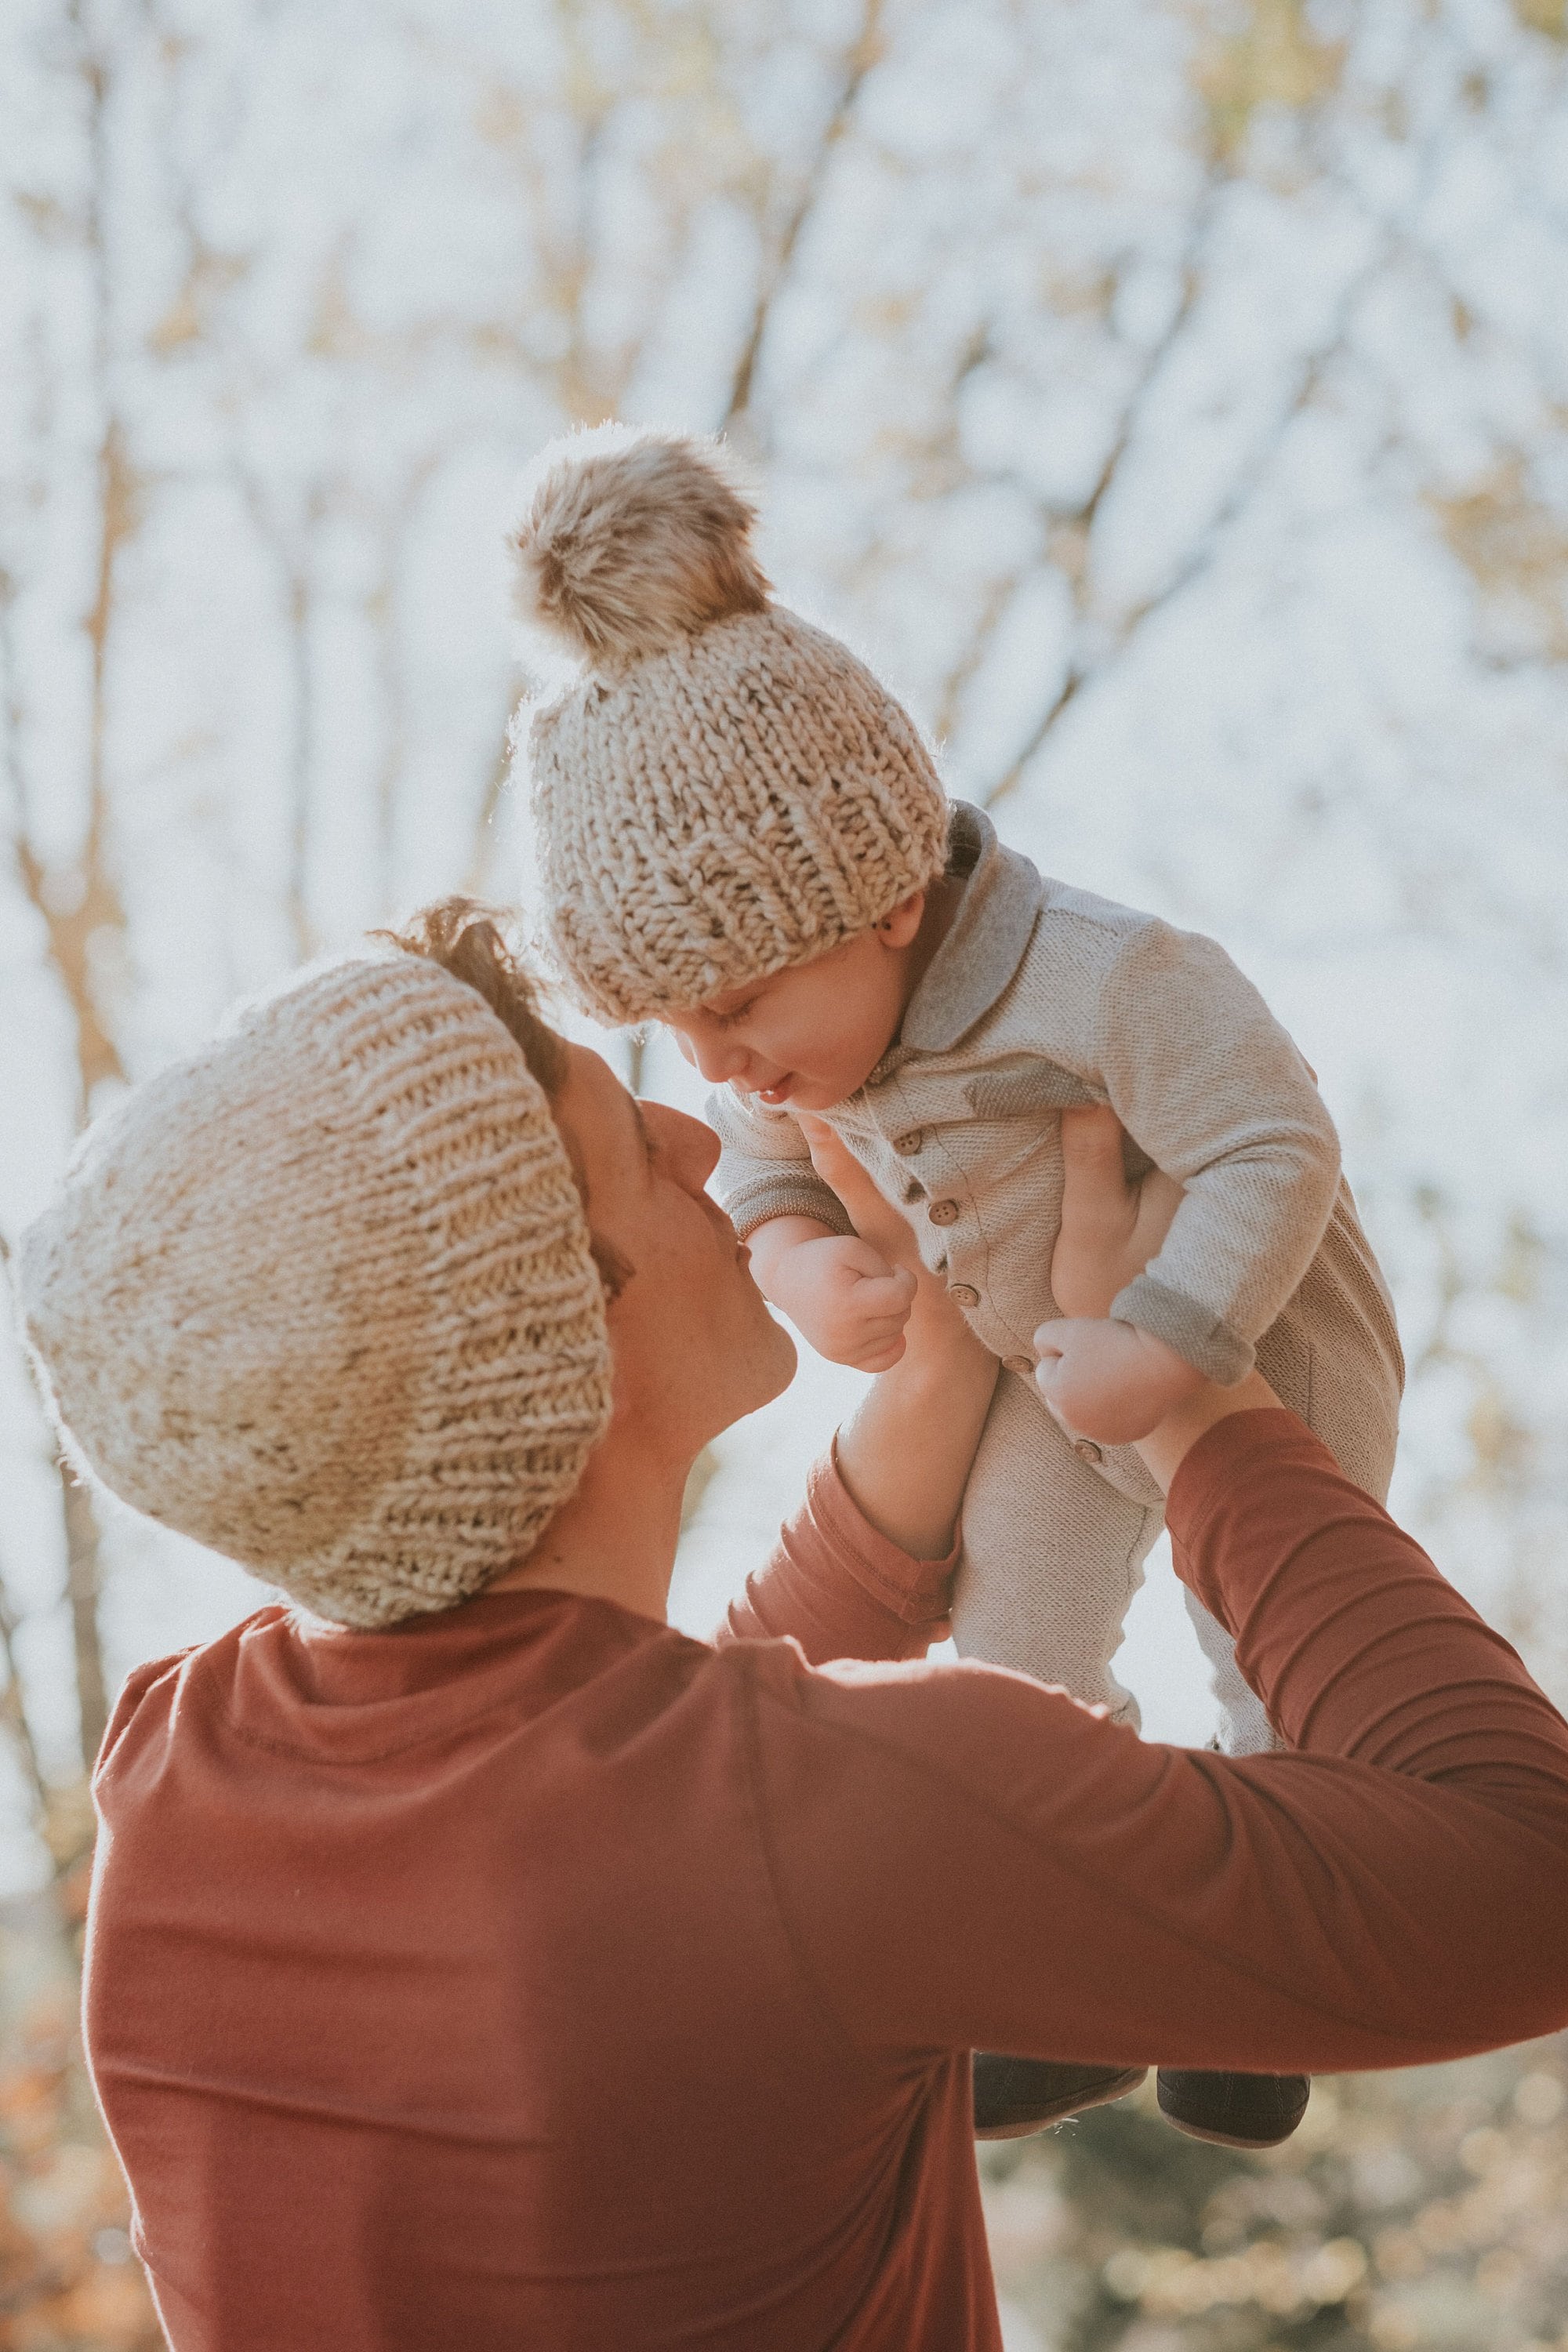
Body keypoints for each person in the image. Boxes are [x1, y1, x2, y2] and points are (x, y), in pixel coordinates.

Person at [13, 903, 1568, 2352]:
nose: (702, 1130)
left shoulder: (177, 1769)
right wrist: (1197, 1404)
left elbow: (634, 1806)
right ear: (569, 1330)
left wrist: (932, 1396)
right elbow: (1528, 1879)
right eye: (630, 1139)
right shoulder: (820, 1827)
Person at [510, 426, 1405, 2147]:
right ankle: (1067, 1977)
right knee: (1013, 1650)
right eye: (674, 1030)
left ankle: (1265, 1993)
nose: (720, 1067)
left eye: (737, 1005)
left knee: (1264, 1647)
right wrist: (797, 1258)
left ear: (885, 893)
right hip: (1030, 1372)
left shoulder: (1108, 978)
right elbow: (769, 1173)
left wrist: (1167, 1349)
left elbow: (1269, 1147)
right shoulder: (789, 1062)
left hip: (1255, 1328)